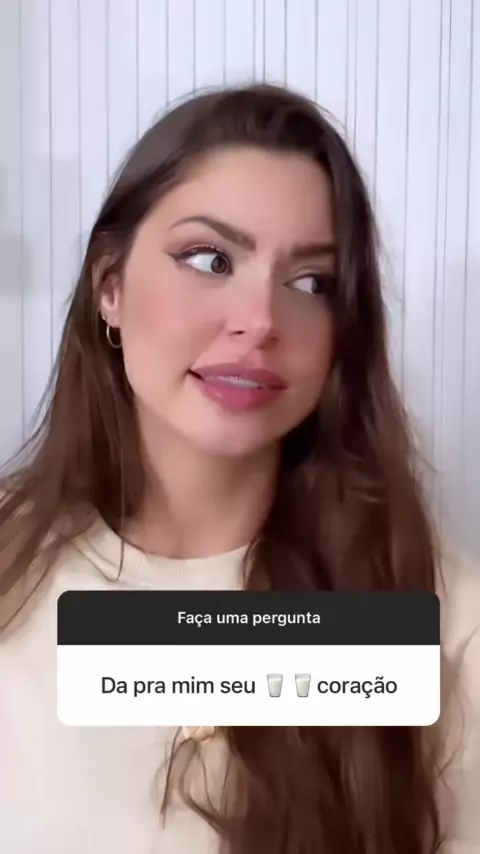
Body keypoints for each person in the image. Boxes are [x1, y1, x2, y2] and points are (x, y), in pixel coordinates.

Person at [0, 83, 478, 854]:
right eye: (210, 259)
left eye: (312, 283)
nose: (259, 321)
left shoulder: (444, 622)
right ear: (109, 287)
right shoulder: (13, 563)